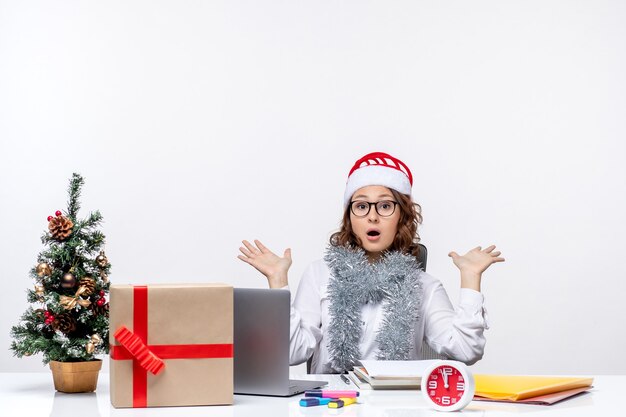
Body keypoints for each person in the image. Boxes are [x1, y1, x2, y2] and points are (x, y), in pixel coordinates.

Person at [238, 152, 504, 374]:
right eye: (362, 206)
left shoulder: (425, 286)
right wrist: (277, 281)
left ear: (403, 216)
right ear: (350, 217)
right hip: (330, 406)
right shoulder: (320, 275)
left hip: (396, 406)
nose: (372, 217)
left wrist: (471, 279)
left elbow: (466, 351)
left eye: (385, 206)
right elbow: (291, 352)